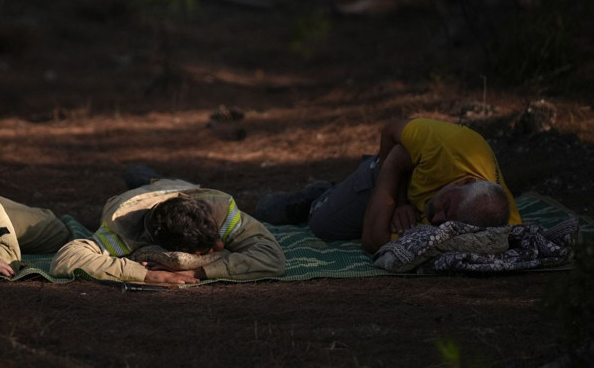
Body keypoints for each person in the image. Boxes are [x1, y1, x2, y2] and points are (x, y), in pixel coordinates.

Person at [254, 118, 521, 254]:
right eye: (446, 207)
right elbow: (391, 133)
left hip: (408, 172)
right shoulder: (447, 146)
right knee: (322, 224)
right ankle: (318, 195)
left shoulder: (496, 220)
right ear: (466, 182)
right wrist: (400, 201)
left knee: (368, 225)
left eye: (445, 223)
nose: (436, 218)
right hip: (389, 169)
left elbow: (374, 241)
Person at [49, 173, 286, 284]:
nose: (221, 247)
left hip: (176, 186)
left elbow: (273, 258)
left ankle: (143, 175)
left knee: (146, 175)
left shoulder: (218, 209)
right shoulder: (122, 231)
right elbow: (66, 259)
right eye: (205, 250)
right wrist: (147, 275)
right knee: (136, 176)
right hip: (133, 199)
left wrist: (197, 272)